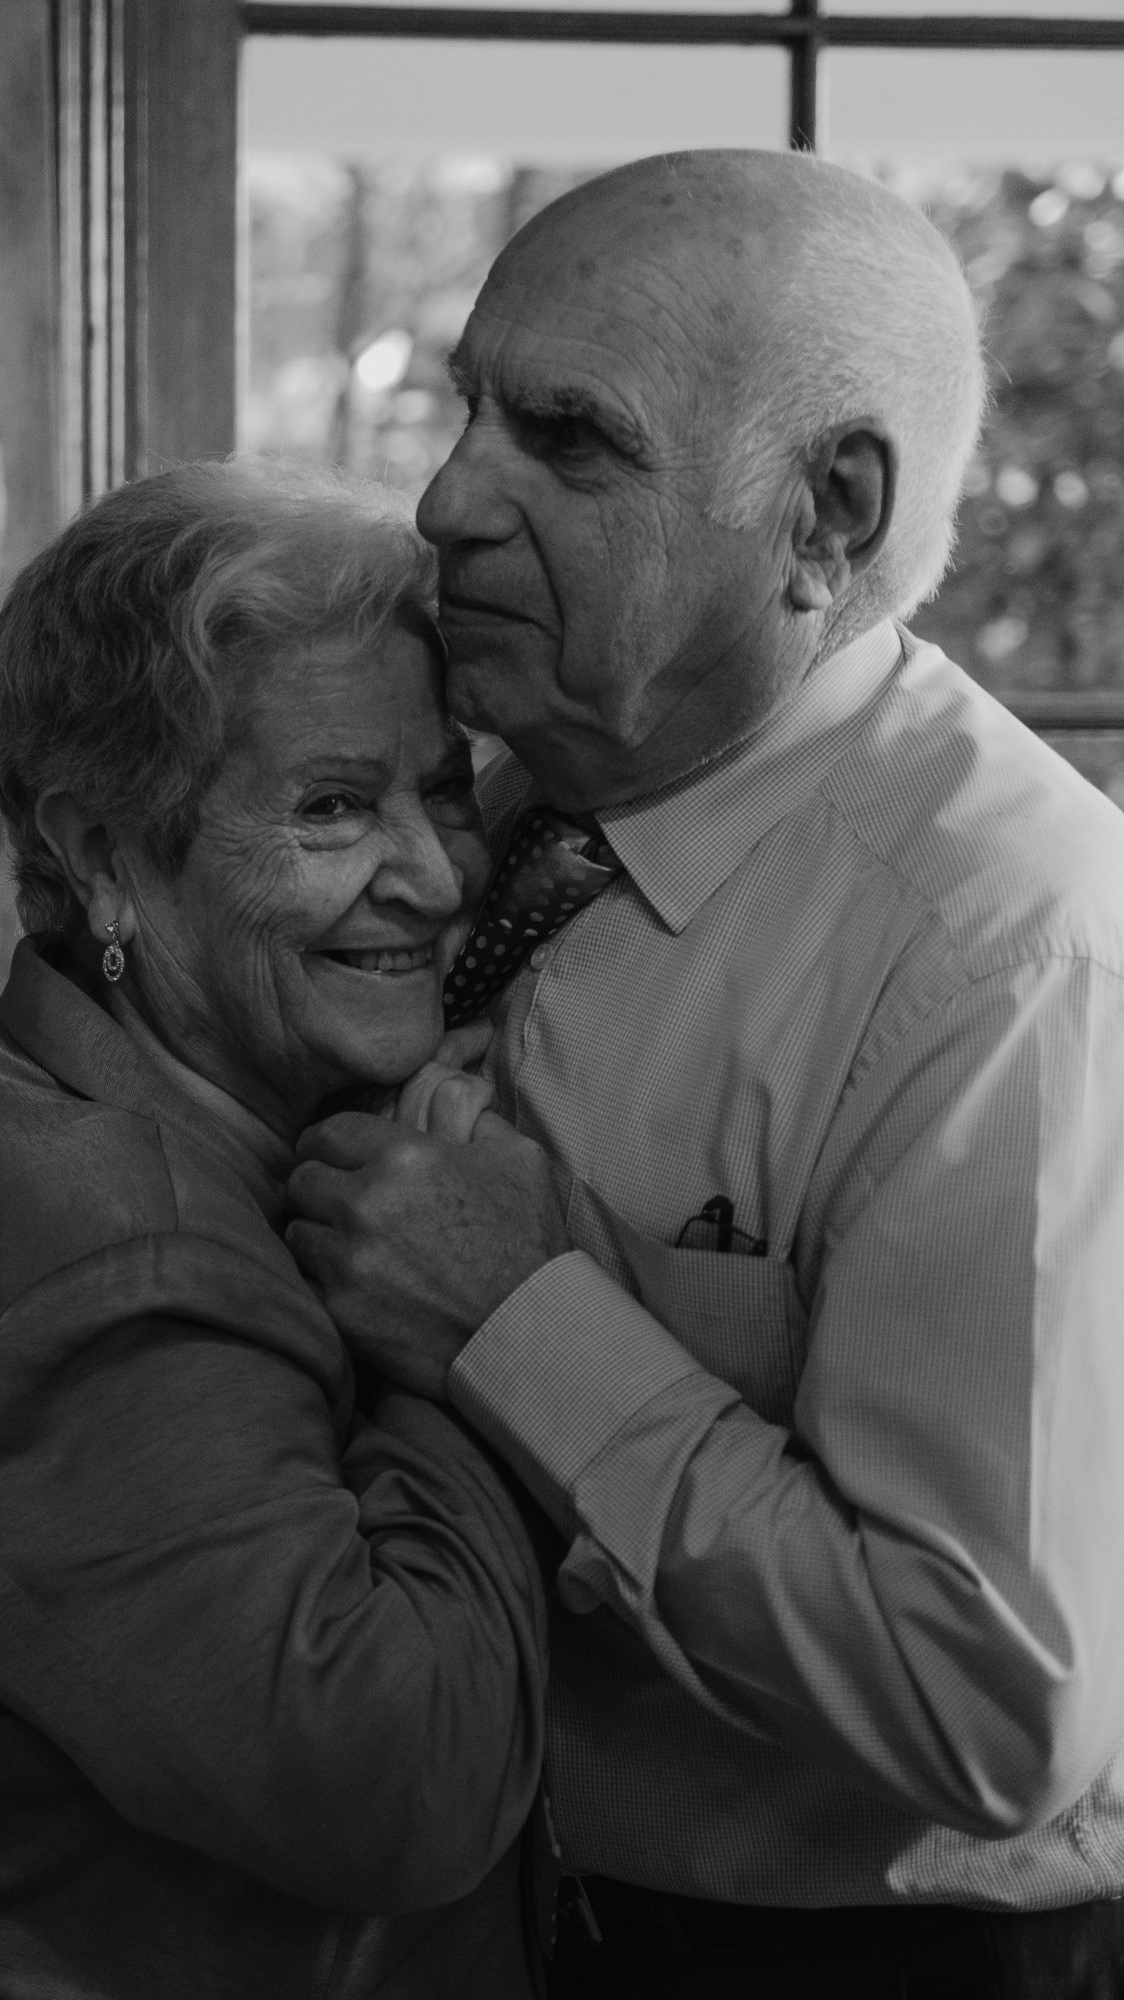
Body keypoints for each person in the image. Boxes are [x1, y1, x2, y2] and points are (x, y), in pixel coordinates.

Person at [284, 150, 1124, 1997]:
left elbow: (995, 1712)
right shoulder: (500, 799)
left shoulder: (1007, 951)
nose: (441, 499)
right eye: (466, 410)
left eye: (568, 443)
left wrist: (520, 1318)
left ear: (826, 512)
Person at [0, 461, 549, 1999]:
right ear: (99, 851)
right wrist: (476, 1324)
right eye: (332, 808)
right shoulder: (111, 1262)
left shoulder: (23, 1076)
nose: (430, 874)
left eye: (443, 787)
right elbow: (402, 1786)